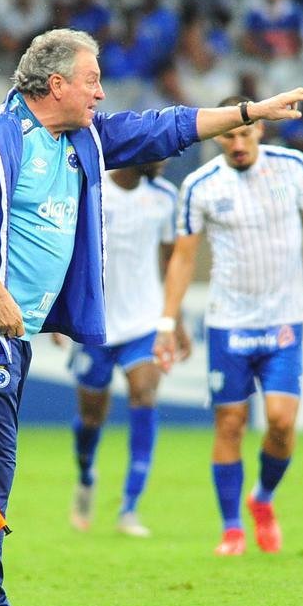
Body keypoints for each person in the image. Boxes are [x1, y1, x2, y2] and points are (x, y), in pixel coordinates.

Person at [0, 27, 303, 606]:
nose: (101, 92)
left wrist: (246, 112)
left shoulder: (81, 138)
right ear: (56, 85)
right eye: (92, 80)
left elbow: (164, 127)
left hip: (8, 334)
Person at [154, 96, 303, 557]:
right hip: (229, 322)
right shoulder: (199, 186)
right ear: (217, 138)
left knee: (280, 422)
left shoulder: (293, 167)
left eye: (243, 132)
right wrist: (166, 321)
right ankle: (232, 527)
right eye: (227, 135)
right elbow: (183, 257)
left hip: (282, 320)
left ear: (259, 129)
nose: (236, 142)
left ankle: (263, 499)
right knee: (231, 422)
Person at [67, 160, 190, 539]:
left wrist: (175, 319)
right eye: (159, 152)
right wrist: (61, 311)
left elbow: (173, 261)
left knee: (144, 394)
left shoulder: (165, 197)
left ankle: (129, 508)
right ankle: (86, 476)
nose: (166, 160)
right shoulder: (92, 188)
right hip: (95, 322)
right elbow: (67, 248)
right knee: (91, 418)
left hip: (144, 322)